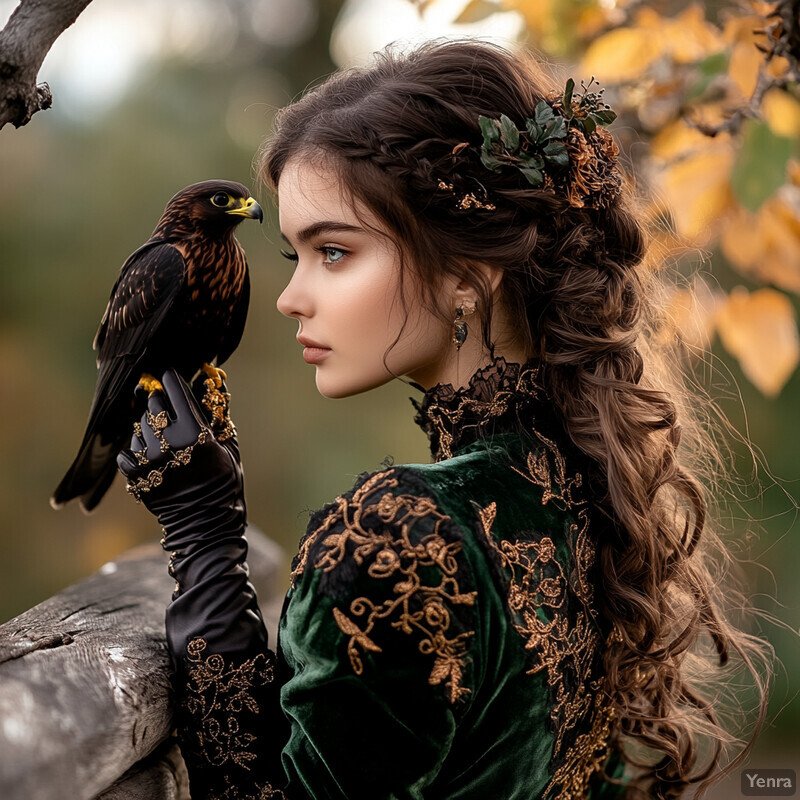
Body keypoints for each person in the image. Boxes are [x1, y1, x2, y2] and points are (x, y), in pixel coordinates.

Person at [116, 39, 771, 800]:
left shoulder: (401, 534)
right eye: (296, 254)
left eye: (332, 251)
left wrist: (201, 531)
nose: (290, 298)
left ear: (463, 277)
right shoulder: (592, 473)